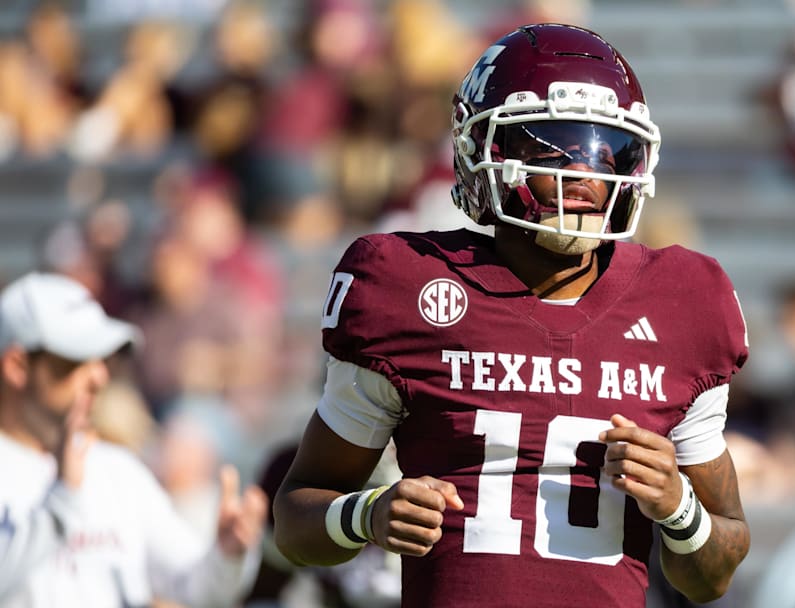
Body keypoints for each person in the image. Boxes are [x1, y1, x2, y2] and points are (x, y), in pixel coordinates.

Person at [273, 23, 751, 608]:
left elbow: (713, 577)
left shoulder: (682, 302)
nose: (583, 175)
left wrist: (678, 508)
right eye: (554, 147)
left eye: (606, 149)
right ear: (484, 153)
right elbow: (296, 519)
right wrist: (365, 516)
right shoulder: (409, 286)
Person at [0, 272, 268, 607]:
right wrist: (63, 498)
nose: (99, 376)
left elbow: (197, 589)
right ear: (16, 366)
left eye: (102, 358)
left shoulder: (118, 469)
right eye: (74, 358)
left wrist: (228, 555)